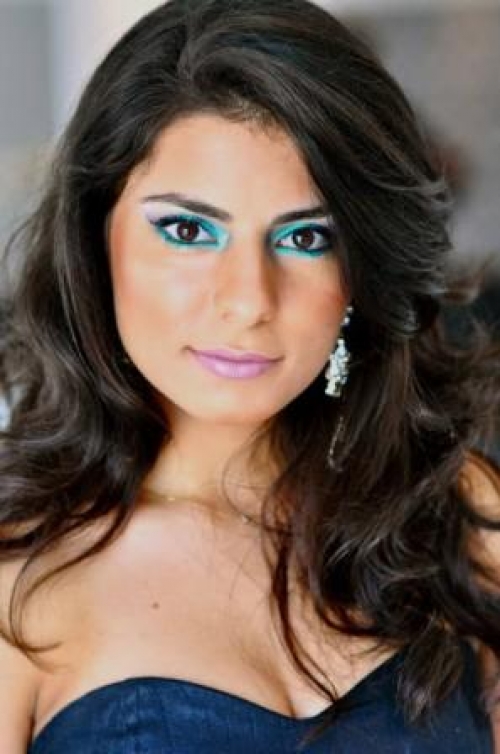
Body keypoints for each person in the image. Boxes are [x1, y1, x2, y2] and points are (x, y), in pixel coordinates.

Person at [0, 0, 499, 751]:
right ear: (95, 239)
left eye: (306, 237)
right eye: (188, 229)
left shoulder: (456, 513)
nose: (248, 301)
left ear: (360, 271)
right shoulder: (17, 581)